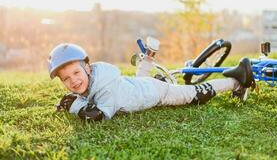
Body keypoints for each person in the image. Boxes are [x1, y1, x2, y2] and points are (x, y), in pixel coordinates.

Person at [50, 43, 254, 121]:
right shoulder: (93, 79)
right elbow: (83, 98)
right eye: (66, 79)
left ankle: (238, 80)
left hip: (156, 93)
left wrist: (75, 106)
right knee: (140, 82)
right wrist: (73, 100)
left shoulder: (105, 90)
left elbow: (98, 116)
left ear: (87, 67)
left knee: (195, 93)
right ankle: (148, 58)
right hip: (137, 88)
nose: (73, 81)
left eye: (76, 73)